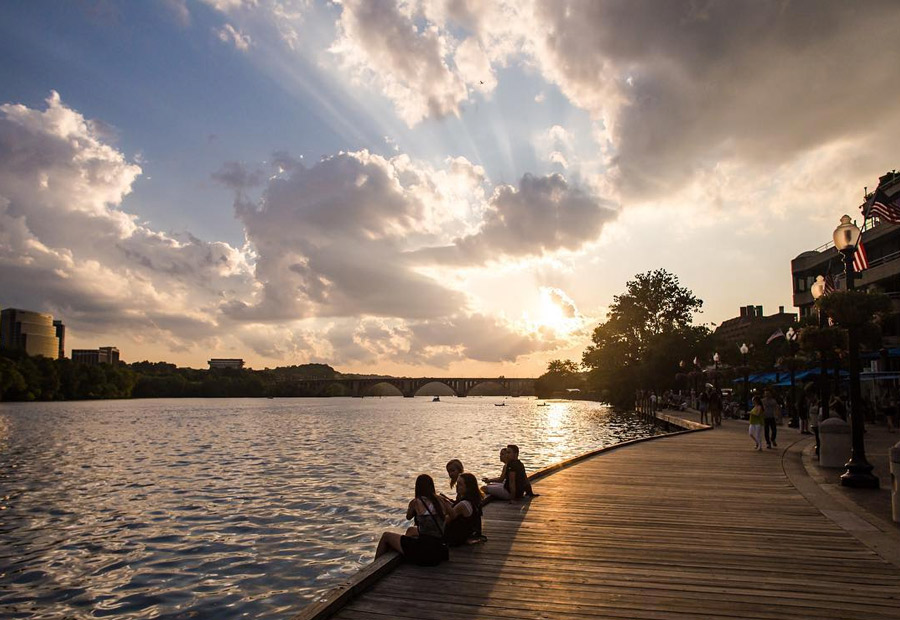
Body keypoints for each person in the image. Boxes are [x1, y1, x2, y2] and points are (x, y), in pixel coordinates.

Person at [375, 474, 449, 565]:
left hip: (425, 552)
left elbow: (408, 517)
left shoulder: (416, 502)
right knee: (411, 530)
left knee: (386, 536)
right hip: (438, 551)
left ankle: (374, 567)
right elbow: (452, 514)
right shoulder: (441, 500)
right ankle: (405, 551)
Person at [443, 472, 484, 545]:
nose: (457, 486)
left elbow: (446, 520)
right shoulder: (475, 501)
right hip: (469, 534)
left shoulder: (463, 504)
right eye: (457, 484)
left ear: (468, 487)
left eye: (460, 484)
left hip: (457, 537)